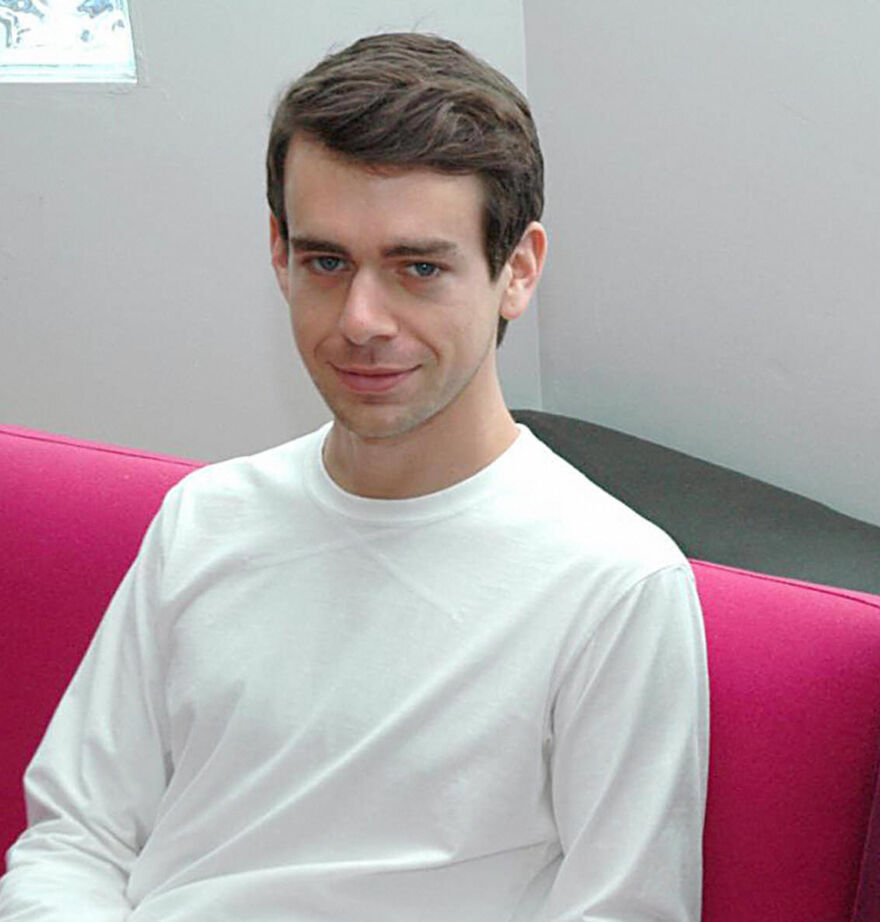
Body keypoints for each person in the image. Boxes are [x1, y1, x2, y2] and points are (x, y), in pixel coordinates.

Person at [0, 33, 708, 921]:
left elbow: (624, 910)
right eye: (325, 262)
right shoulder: (204, 519)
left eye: (419, 268)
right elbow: (74, 839)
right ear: (278, 253)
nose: (363, 320)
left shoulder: (615, 582)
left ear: (516, 270)